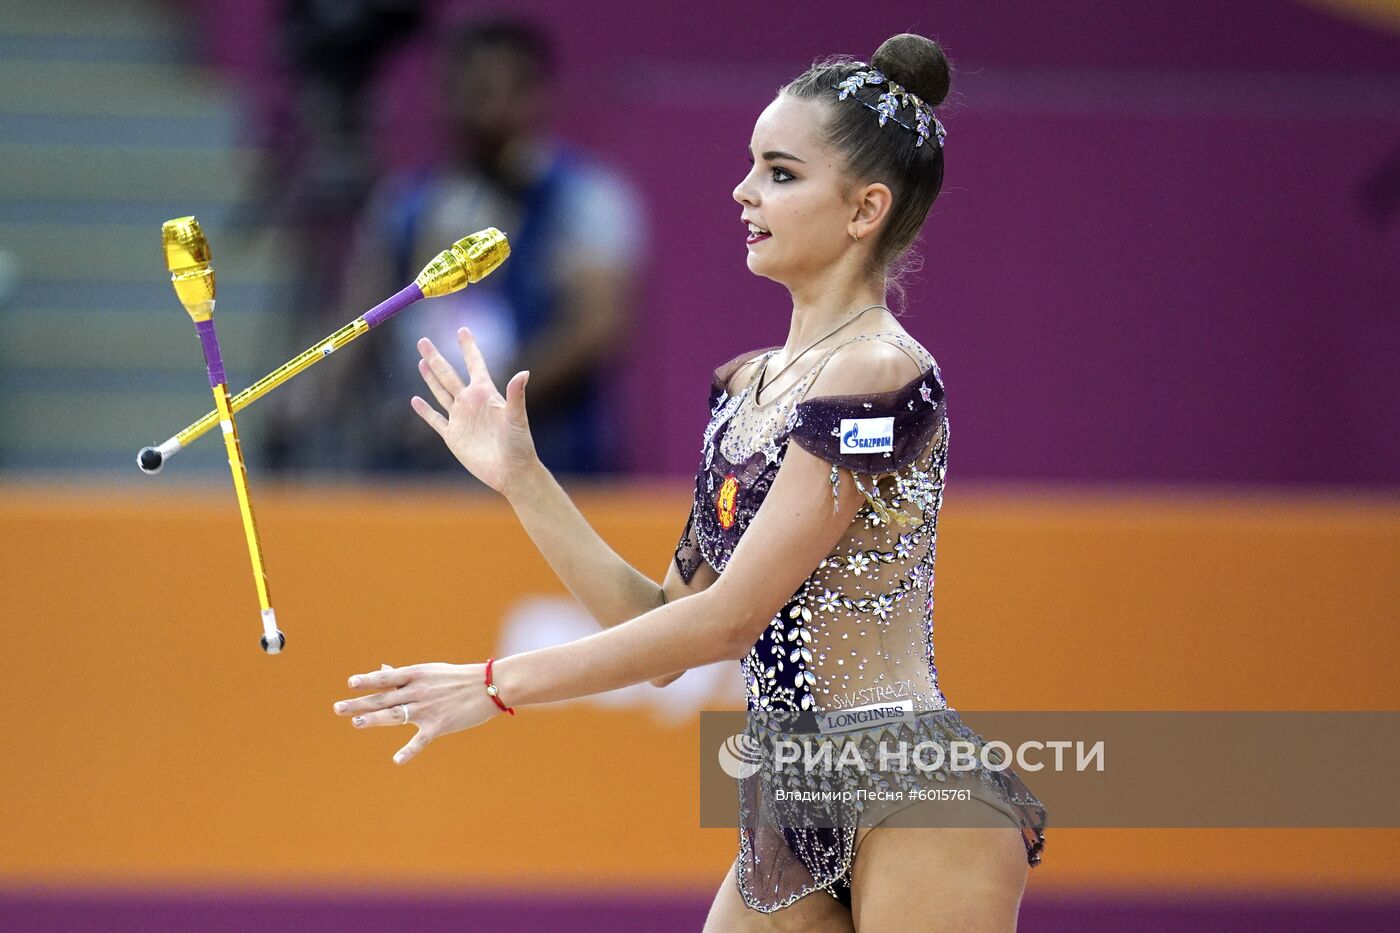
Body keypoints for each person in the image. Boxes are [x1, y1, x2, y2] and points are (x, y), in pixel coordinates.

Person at [331, 32, 1047, 931]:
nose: (745, 191)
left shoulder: (878, 372)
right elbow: (663, 633)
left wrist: (497, 681)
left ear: (866, 209)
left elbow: (732, 618)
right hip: (794, 798)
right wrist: (522, 476)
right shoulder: (744, 388)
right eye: (751, 166)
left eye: (781, 173)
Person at [271, 16, 646, 476]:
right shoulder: (405, 202)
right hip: (416, 452)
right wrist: (308, 397)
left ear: (535, 95)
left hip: (546, 451)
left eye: (493, 90)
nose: (477, 108)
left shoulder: (583, 198)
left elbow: (597, 328)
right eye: (464, 90)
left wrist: (480, 404)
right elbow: (364, 313)